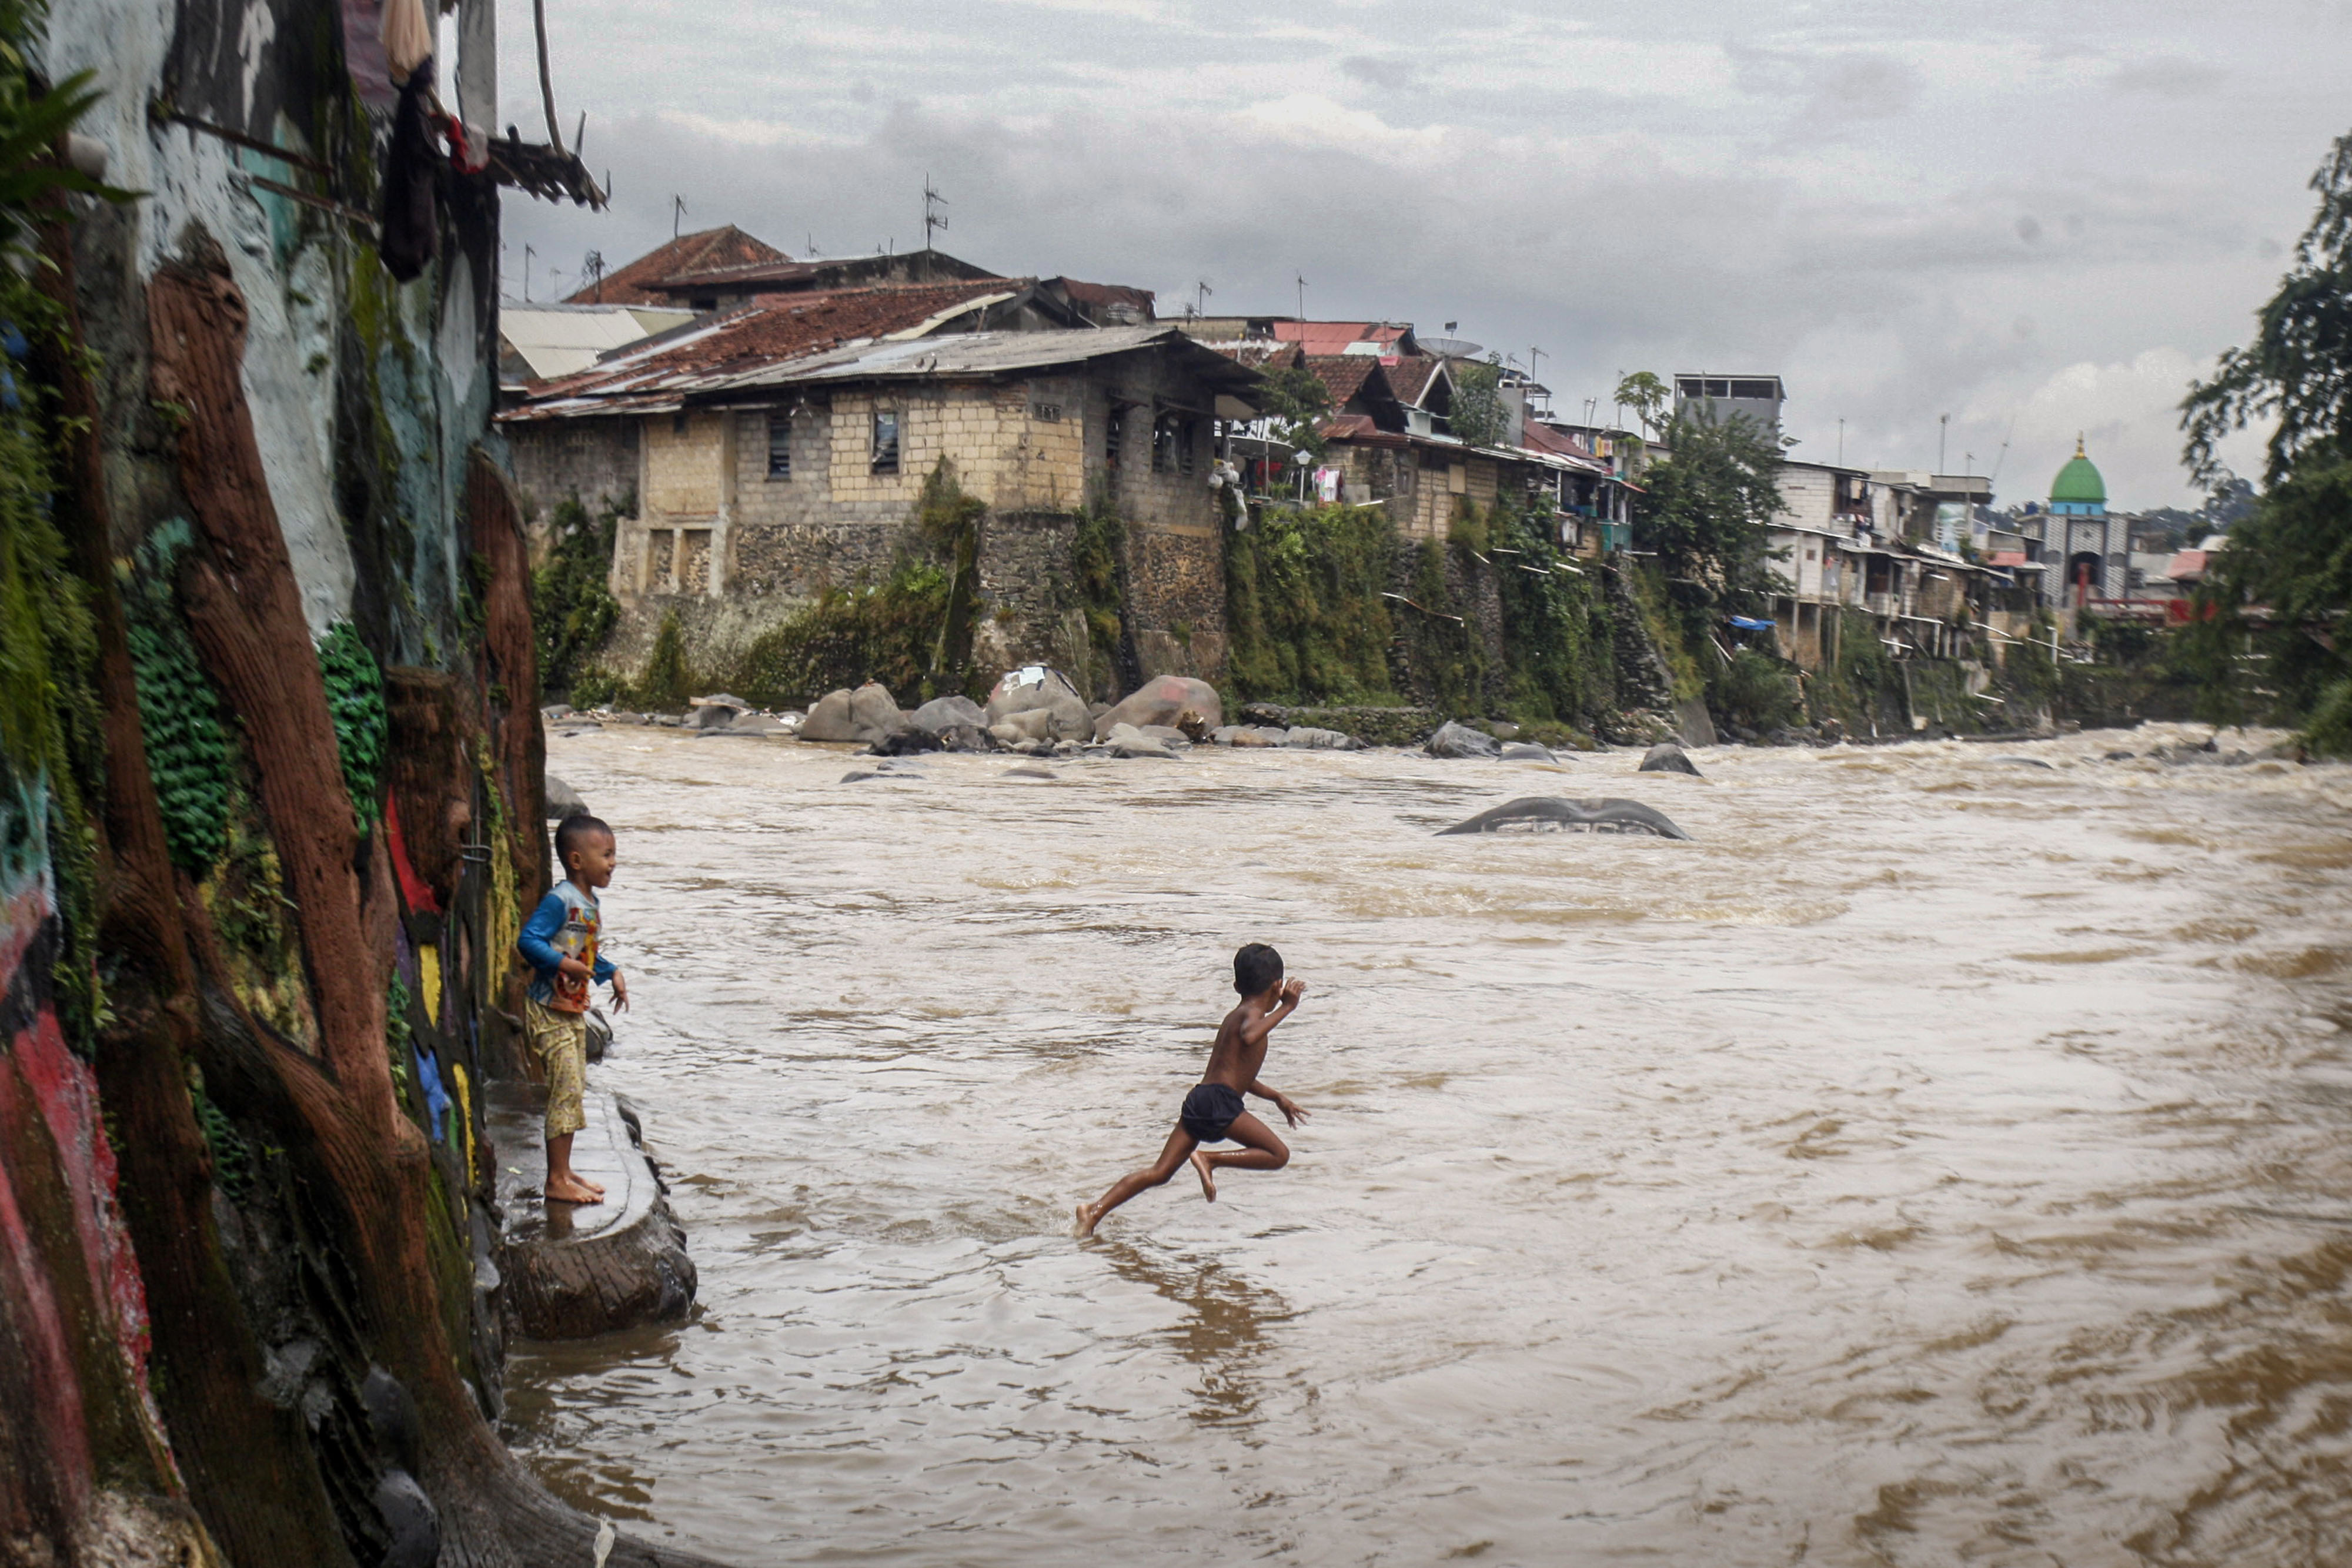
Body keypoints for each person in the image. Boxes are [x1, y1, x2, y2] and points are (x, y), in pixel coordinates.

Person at [1075, 943, 1307, 1237]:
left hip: (1202, 1098)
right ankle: (1210, 1159)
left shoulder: (1236, 1016)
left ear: (1237, 985)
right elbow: (1250, 1036)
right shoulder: (1251, 1018)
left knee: (1160, 1172)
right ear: (1278, 986)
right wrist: (1288, 1007)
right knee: (1278, 1154)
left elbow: (1238, 1075)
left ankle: (1093, 1211)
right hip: (1219, 1102)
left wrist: (1276, 1097)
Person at [516, 814, 630, 1205]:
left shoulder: (589, 903)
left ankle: (563, 1170)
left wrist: (611, 971)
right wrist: (562, 965)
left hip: (572, 1011)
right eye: (607, 854)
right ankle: (555, 1180)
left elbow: (584, 954)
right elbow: (528, 941)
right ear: (578, 860)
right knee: (564, 1090)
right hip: (549, 1011)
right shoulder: (560, 899)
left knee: (573, 1089)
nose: (613, 862)